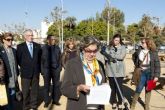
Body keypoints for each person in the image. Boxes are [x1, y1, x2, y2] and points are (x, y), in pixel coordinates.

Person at [61, 36, 106, 110]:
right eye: (88, 51)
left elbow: (101, 81)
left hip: (97, 106)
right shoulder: (72, 64)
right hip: (79, 106)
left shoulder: (99, 64)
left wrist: (104, 86)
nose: (92, 54)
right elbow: (64, 88)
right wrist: (78, 88)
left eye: (95, 51)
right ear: (82, 49)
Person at [130, 38, 160, 110]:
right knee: (138, 89)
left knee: (149, 89)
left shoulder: (154, 52)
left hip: (151, 73)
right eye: (141, 42)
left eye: (143, 42)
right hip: (141, 72)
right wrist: (137, 65)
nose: (141, 44)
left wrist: (156, 76)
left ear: (148, 43)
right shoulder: (138, 51)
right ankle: (133, 105)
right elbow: (133, 57)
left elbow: (157, 65)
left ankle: (146, 106)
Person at [17, 29, 41, 110]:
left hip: (35, 73)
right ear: (25, 37)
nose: (31, 37)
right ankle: (26, 106)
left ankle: (33, 106)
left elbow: (39, 59)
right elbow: (19, 60)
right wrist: (26, 66)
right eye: (29, 35)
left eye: (32, 35)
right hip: (25, 73)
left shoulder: (38, 46)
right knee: (25, 92)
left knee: (35, 91)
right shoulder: (20, 47)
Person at [101, 34, 126, 110]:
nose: (116, 42)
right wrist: (109, 56)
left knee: (119, 88)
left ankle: (120, 102)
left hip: (119, 71)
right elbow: (105, 56)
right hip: (110, 70)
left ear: (120, 40)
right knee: (112, 88)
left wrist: (111, 56)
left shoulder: (123, 47)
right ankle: (114, 102)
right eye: (115, 40)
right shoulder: (108, 47)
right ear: (113, 40)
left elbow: (121, 57)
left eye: (118, 40)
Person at [41, 35, 62, 107]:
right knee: (46, 86)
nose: (53, 40)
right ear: (47, 40)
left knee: (56, 86)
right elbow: (41, 61)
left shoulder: (57, 48)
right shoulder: (43, 48)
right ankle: (46, 101)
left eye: (54, 39)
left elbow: (60, 59)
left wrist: (59, 68)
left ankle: (55, 100)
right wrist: (42, 71)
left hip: (56, 70)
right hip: (47, 70)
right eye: (52, 39)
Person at [0, 32, 19, 110]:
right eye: (8, 39)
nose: (10, 41)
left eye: (11, 39)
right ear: (3, 40)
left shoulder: (14, 50)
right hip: (4, 80)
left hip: (13, 79)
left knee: (12, 98)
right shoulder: (0, 51)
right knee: (5, 99)